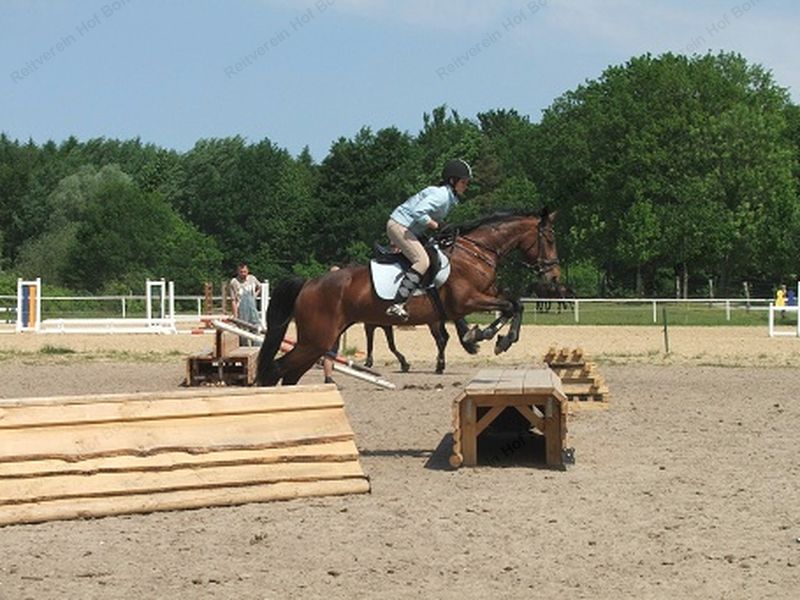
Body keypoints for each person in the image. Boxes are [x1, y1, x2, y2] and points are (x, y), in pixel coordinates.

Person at [385, 158, 472, 320]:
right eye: (464, 182)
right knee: (422, 261)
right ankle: (398, 303)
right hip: (400, 226)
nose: (466, 186)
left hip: (409, 229)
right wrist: (437, 226)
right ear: (452, 181)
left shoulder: (448, 197)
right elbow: (418, 212)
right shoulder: (442, 196)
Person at [229, 263, 262, 345]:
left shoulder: (252, 278)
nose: (243, 273)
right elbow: (233, 300)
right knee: (243, 331)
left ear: (248, 271)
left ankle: (256, 348)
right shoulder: (234, 282)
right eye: (241, 272)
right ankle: (244, 348)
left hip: (253, 309)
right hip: (241, 309)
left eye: (245, 271)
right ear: (238, 272)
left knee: (256, 328)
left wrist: (255, 295)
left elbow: (260, 287)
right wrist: (235, 315)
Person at [322, 266, 341, 385]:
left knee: (331, 352)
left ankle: (328, 375)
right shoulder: (333, 291)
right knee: (330, 352)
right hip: (331, 325)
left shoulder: (324, 288)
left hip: (329, 323)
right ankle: (328, 377)